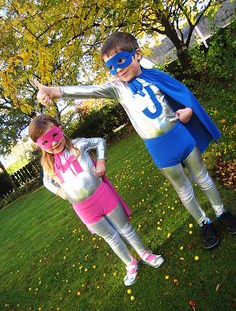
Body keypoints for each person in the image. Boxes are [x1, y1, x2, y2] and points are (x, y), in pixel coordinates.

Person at [34, 32, 236, 250]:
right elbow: (89, 90)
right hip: (161, 150)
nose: (118, 69)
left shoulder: (155, 75)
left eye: (120, 61)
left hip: (181, 137)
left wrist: (186, 110)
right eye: (111, 67)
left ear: (137, 54)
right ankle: (203, 222)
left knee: (202, 177)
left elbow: (179, 96)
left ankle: (221, 211)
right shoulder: (117, 89)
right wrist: (55, 92)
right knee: (184, 189)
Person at [28, 114, 164, 286]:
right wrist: (58, 190)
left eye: (54, 135)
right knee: (110, 237)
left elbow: (100, 141)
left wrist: (101, 161)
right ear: (39, 145)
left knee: (125, 228)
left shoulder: (78, 144)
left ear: (59, 128)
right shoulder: (48, 164)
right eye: (45, 142)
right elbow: (46, 182)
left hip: (102, 195)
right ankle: (130, 264)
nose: (53, 143)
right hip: (83, 209)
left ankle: (145, 254)